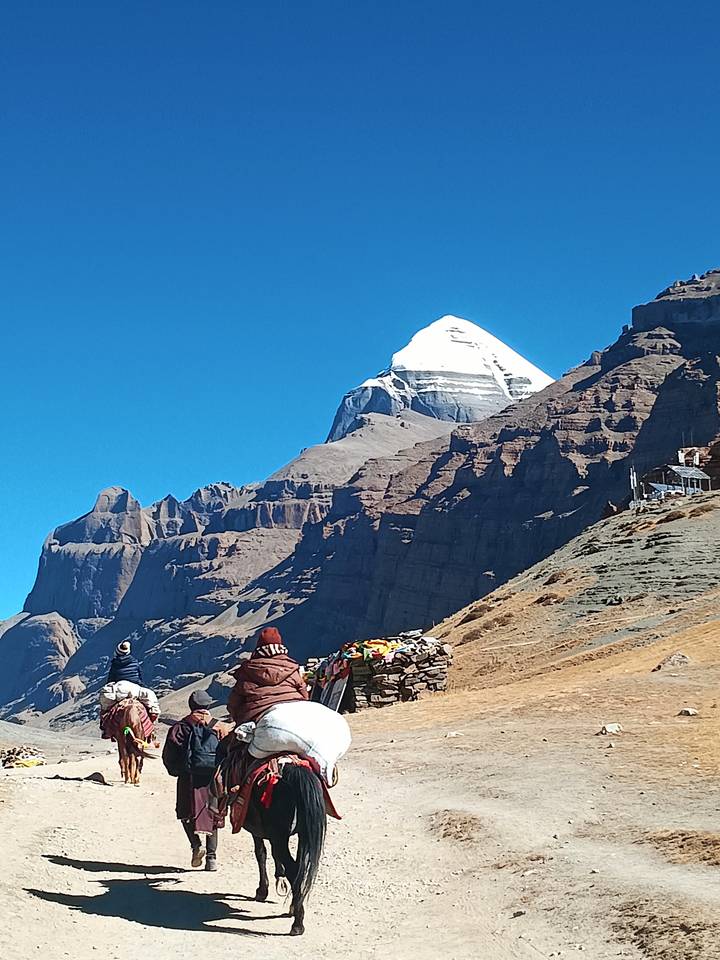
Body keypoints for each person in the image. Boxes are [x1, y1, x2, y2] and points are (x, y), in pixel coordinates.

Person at [162, 690, 225, 871]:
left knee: (185, 813)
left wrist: (175, 771)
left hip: (188, 777)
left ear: (191, 706)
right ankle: (212, 859)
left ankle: (196, 846)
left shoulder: (180, 727)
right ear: (208, 706)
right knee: (213, 814)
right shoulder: (218, 726)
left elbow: (170, 754)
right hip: (213, 779)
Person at [227, 626, 309, 726]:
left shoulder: (247, 671)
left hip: (257, 714)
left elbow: (234, 704)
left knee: (232, 741)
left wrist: (238, 719)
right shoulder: (291, 668)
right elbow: (303, 692)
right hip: (296, 707)